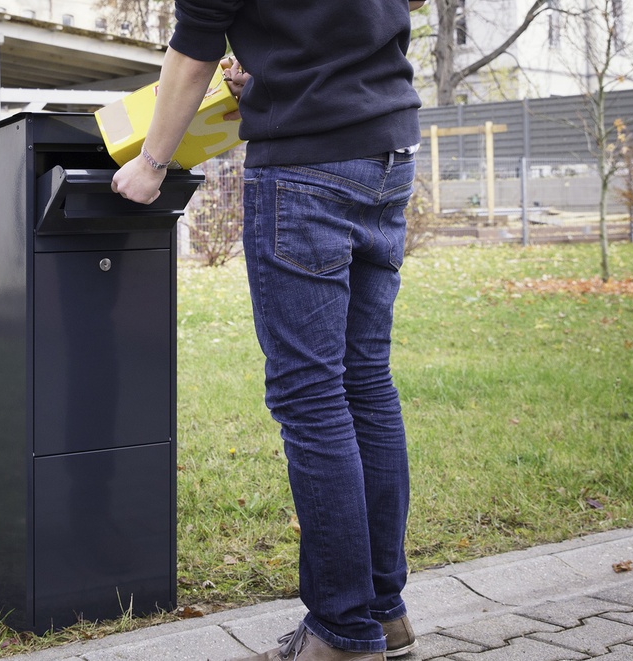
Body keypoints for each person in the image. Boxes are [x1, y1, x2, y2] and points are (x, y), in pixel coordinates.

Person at [111, 0, 422, 659]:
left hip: (307, 166)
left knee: (310, 396)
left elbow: (193, 53)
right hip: (388, 156)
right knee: (366, 380)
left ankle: (342, 632)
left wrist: (152, 163)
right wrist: (286, 67)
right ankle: (384, 613)